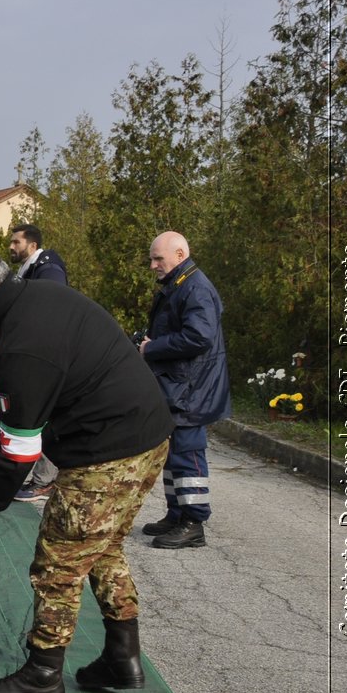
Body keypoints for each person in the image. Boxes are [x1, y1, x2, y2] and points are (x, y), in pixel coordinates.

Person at [0, 237, 173, 693]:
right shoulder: (38, 298)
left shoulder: (20, 342)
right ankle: (122, 657)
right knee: (103, 547)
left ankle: (43, 676)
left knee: (58, 563)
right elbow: (32, 401)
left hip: (107, 453)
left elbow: (20, 456)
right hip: (147, 437)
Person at [138, 231, 231, 550]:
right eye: (152, 258)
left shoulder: (195, 287)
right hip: (181, 384)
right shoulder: (181, 284)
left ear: (179, 255)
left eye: (157, 258)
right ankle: (177, 514)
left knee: (188, 453)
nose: (152, 265)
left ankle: (194, 522)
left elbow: (199, 337)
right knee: (174, 453)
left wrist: (152, 349)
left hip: (192, 388)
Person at [8, 223, 70, 500]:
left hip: (49, 355)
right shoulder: (31, 269)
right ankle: (40, 477)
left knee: (46, 417)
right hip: (39, 353)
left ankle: (46, 480)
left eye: (16, 242)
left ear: (32, 246)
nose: (11, 246)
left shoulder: (49, 270)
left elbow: (51, 311)